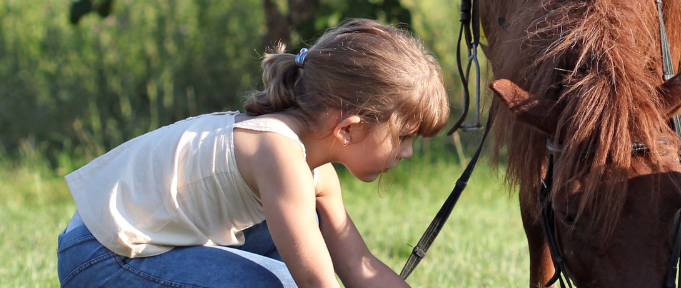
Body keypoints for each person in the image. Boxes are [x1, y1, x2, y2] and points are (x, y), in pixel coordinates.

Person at [57, 18, 449, 288]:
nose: (408, 152)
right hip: (102, 256)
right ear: (349, 127)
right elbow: (318, 281)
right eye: (404, 136)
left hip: (141, 247)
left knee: (301, 247)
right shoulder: (277, 152)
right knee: (278, 282)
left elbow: (360, 270)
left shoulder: (316, 172)